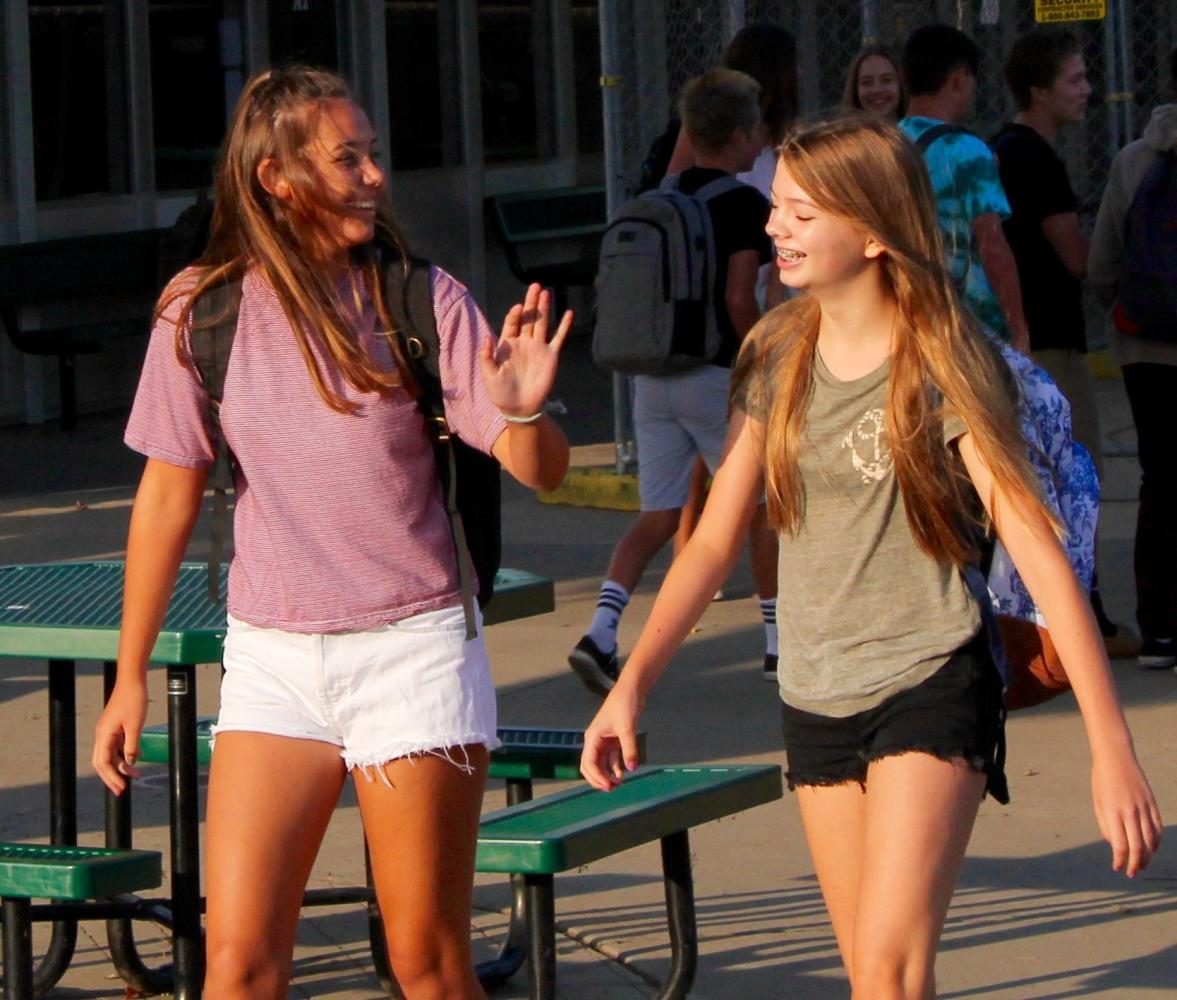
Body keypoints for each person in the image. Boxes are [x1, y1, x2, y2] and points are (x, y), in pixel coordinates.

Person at [581, 116, 1161, 997]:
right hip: (814, 691)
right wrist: (629, 686)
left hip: (930, 677)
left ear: (876, 231)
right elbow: (708, 542)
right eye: (777, 207)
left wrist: (1108, 742)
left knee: (887, 974)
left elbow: (1036, 551)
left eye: (804, 213)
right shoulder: (775, 355)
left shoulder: (944, 360)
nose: (776, 227)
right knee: (871, 974)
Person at [91, 66, 571, 999]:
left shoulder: (420, 300)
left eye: (373, 154)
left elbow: (541, 470)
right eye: (346, 157)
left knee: (426, 966)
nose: (373, 176)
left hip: (414, 650)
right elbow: (164, 499)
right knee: (235, 967)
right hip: (274, 659)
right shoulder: (201, 311)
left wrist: (521, 415)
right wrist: (128, 674)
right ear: (276, 177)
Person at [570, 68, 773, 693]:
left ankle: (601, 632)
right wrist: (763, 357)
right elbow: (741, 296)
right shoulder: (744, 204)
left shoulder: (663, 193)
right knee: (763, 508)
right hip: (715, 374)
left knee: (658, 514)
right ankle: (778, 643)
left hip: (652, 378)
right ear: (740, 137)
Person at [991, 27, 1136, 659]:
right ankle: (1086, 621)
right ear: (1039, 90)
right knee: (1075, 480)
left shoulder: (1001, 149)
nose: (1087, 90)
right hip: (1049, 341)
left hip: (1018, 339)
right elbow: (1075, 257)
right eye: (1074, 80)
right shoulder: (1036, 158)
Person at [1090, 47, 1177, 670]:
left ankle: (1160, 629)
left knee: (1161, 481)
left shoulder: (1134, 158)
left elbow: (1101, 266)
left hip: (1147, 347)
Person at [898, 23, 1031, 352]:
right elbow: (992, 243)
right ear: (958, 78)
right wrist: (1019, 330)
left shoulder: (885, 143)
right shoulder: (967, 150)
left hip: (905, 319)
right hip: (968, 328)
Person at [842, 44, 906, 120]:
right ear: (855, 90)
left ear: (901, 84)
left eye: (886, 80)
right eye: (867, 82)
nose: (877, 90)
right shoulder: (841, 131)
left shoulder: (920, 129)